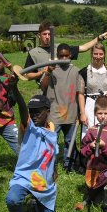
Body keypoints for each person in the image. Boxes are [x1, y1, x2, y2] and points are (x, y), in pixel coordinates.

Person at [5, 76, 58, 212]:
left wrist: (54, 169)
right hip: (25, 175)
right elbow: (22, 107)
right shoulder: (29, 127)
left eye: (38, 111)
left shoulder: (51, 129)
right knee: (12, 199)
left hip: (42, 181)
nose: (34, 115)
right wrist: (15, 89)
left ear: (47, 111)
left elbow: (52, 152)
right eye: (32, 111)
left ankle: (37, 202)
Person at [24, 20, 107, 84]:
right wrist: (42, 72)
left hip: (64, 87)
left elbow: (84, 47)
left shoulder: (61, 48)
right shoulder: (33, 53)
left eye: (49, 34)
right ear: (39, 35)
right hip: (45, 88)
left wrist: (99, 38)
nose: (47, 37)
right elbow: (27, 75)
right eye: (44, 34)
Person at [40, 43, 80, 172]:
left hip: (71, 112)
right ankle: (51, 165)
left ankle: (69, 165)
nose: (63, 58)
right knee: (51, 140)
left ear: (70, 55)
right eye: (61, 56)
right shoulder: (51, 69)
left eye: (66, 55)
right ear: (57, 56)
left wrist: (80, 112)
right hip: (55, 112)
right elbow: (43, 87)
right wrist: (48, 72)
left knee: (70, 141)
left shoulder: (76, 71)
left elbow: (80, 93)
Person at [77, 42, 107, 138]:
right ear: (91, 54)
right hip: (90, 107)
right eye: (95, 53)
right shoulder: (84, 72)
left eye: (101, 54)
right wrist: (82, 113)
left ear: (104, 54)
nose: (98, 56)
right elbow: (80, 94)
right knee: (90, 135)